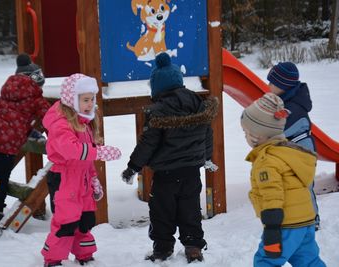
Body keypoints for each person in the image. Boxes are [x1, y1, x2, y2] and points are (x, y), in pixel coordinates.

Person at [121, 53, 218, 263]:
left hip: (166, 174)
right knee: (190, 210)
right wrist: (206, 157)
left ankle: (163, 249)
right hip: (192, 172)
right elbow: (207, 133)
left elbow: (149, 142)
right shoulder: (197, 103)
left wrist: (133, 166)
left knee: (162, 212)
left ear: (157, 87)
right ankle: (193, 247)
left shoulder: (158, 110)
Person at [41, 73, 121, 267]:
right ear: (71, 100)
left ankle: (84, 254)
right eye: (85, 100)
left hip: (82, 182)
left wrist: (93, 178)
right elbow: (71, 150)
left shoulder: (84, 124)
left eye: (92, 99)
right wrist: (99, 152)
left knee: (85, 220)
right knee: (66, 222)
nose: (90, 104)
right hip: (65, 180)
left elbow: (85, 161)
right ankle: (53, 259)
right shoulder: (61, 123)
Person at [240, 93, 326, 267]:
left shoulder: (266, 161)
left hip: (285, 224)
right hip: (306, 221)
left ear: (258, 136)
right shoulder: (288, 153)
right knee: (308, 261)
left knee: (266, 261)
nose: (245, 136)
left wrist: (272, 228)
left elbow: (272, 194)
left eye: (246, 132)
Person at [0, 53, 51, 236]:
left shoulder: (8, 91)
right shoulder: (35, 98)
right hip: (6, 144)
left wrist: (28, 131)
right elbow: (50, 117)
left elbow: (12, 115)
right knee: (0, 180)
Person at [267, 62, 320, 229]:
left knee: (304, 185)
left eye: (272, 83)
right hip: (291, 150)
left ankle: (313, 219)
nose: (269, 85)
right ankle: (294, 218)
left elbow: (281, 126)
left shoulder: (293, 107)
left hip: (303, 150)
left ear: (283, 85)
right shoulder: (285, 100)